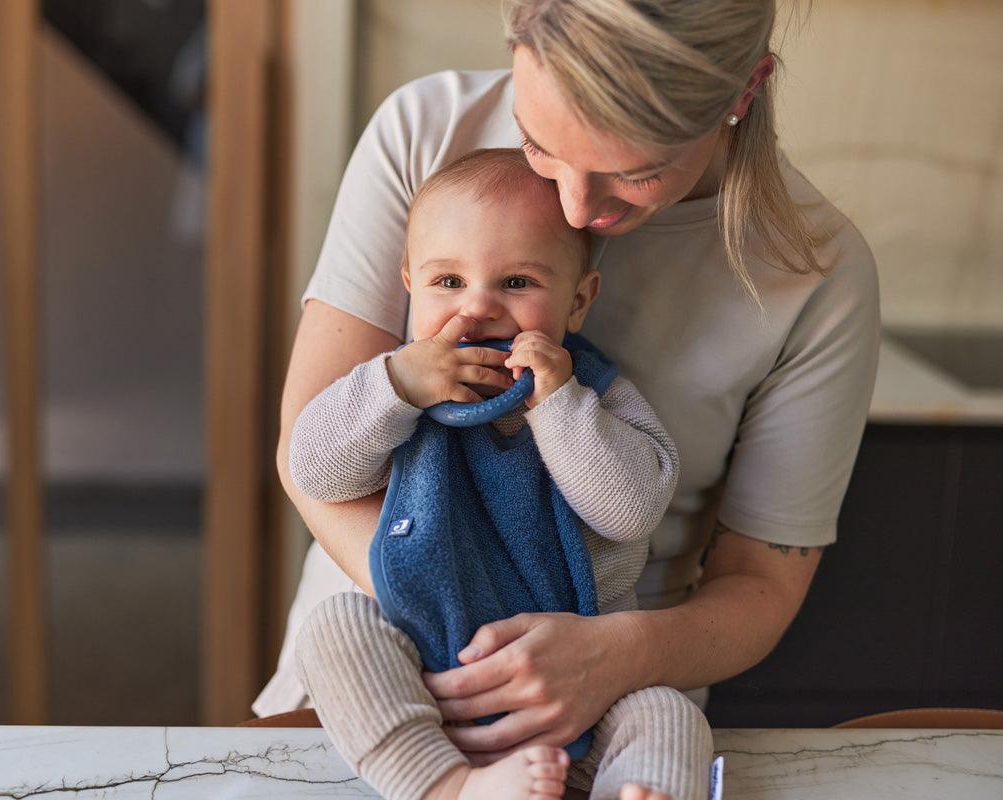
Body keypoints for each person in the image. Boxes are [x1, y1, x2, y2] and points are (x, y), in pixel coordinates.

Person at [259, 0, 878, 795]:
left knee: (667, 723)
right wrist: (457, 619)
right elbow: (307, 455)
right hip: (387, 644)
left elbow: (761, 582)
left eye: (636, 169)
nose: (578, 209)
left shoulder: (819, 276)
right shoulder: (425, 131)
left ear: (744, 89)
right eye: (538, 142)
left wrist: (612, 656)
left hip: (603, 684)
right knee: (339, 638)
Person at [290, 147, 710, 800]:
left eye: (517, 283)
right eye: (448, 282)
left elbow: (628, 511)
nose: (479, 307)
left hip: (578, 689)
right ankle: (449, 787)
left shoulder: (592, 395)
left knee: (669, 713)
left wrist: (558, 405)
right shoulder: (396, 386)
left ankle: (638, 789)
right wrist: (396, 385)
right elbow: (313, 469)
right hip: (426, 678)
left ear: (578, 301)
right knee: (335, 631)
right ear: (409, 281)